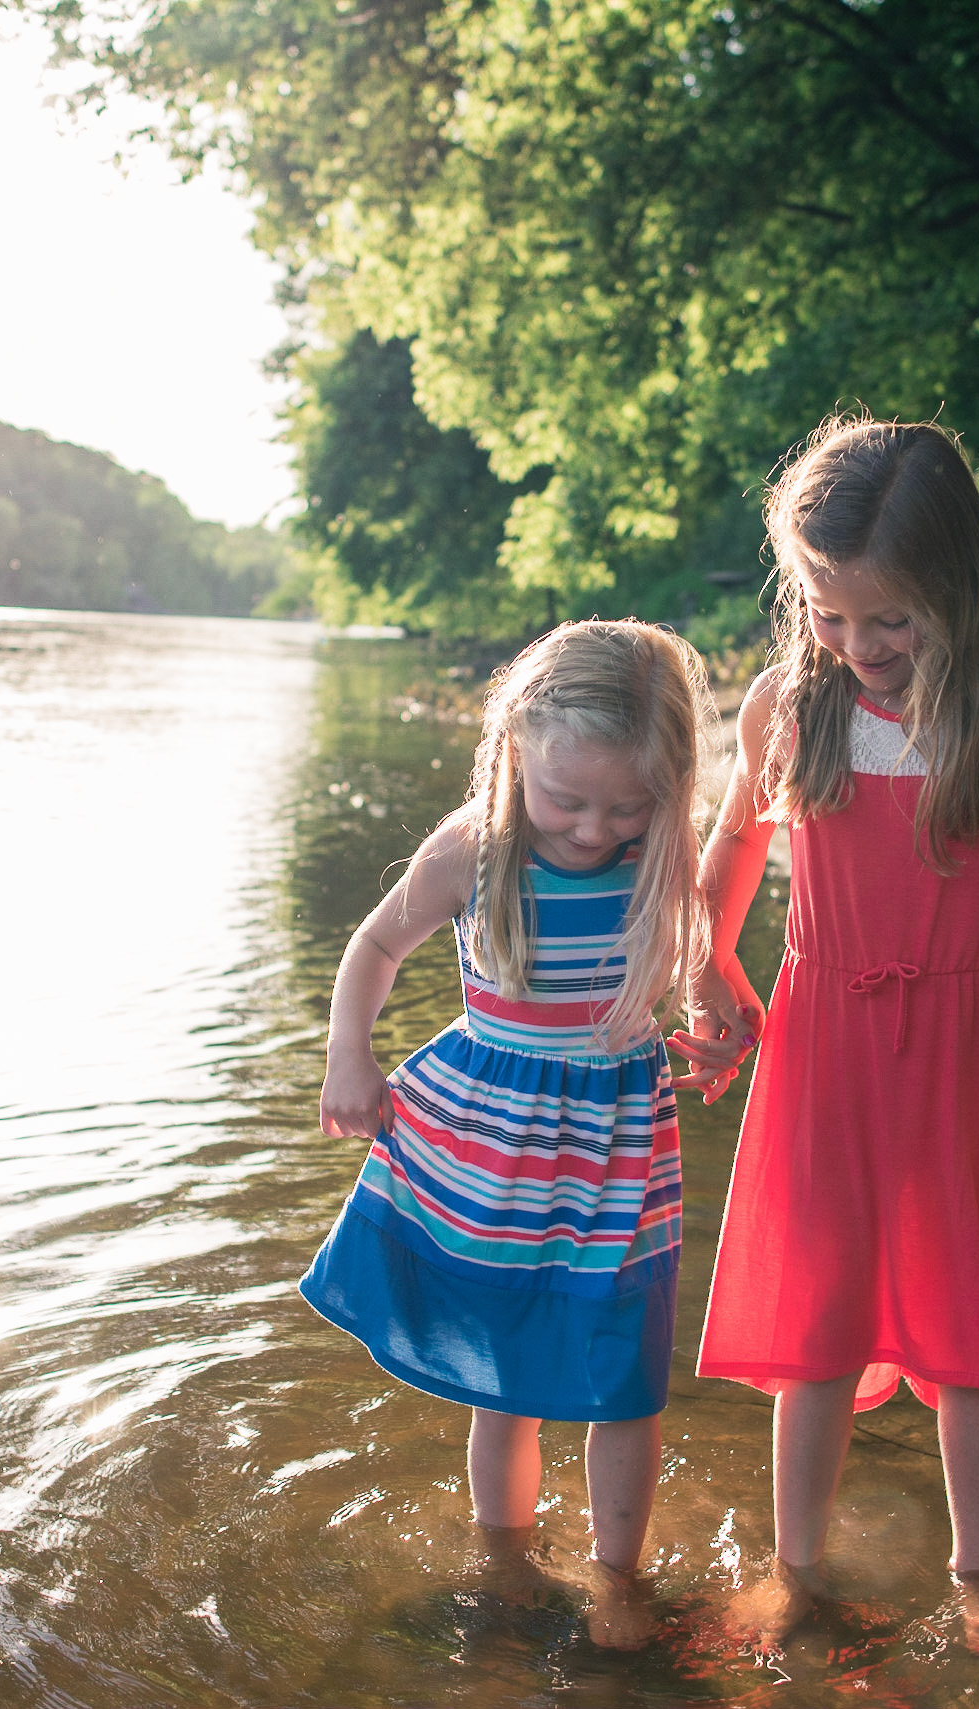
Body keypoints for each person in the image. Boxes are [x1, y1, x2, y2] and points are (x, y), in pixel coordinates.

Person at [674, 416, 979, 1658]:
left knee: (978, 1306)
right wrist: (714, 958)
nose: (860, 646)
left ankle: (978, 1565)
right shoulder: (791, 700)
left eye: (889, 619)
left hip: (976, 1044)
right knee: (819, 1307)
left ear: (958, 582)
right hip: (824, 1037)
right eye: (830, 615)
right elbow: (735, 840)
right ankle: (794, 1565)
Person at [300, 618, 714, 1650]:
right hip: (491, 1151)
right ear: (514, 755)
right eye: (565, 798)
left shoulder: (660, 843)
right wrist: (348, 1052)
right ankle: (508, 1562)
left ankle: (619, 1581)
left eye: (625, 803)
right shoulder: (472, 850)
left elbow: (693, 940)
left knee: (625, 1382)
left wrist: (716, 1014)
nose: (590, 827)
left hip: (618, 1150)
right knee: (508, 1381)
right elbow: (374, 942)